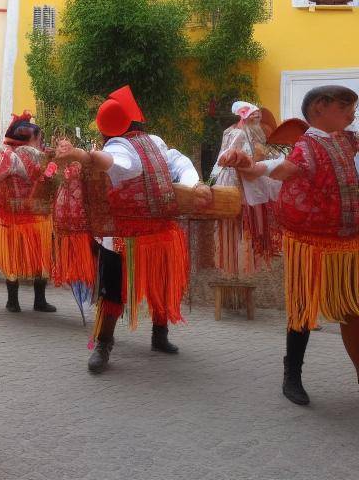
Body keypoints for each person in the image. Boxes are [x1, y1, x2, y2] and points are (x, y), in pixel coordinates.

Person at [219, 85, 359, 405]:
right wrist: (244, 164)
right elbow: (276, 171)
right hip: (309, 242)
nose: (353, 114)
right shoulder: (306, 146)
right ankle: (291, 375)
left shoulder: (348, 140)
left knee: (354, 311)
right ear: (320, 108)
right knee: (302, 311)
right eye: (346, 107)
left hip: (348, 242)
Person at [56, 86, 212, 373]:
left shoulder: (152, 142)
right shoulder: (119, 148)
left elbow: (179, 162)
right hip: (120, 237)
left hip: (157, 233)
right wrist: (85, 156)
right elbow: (115, 163)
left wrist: (193, 185)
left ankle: (159, 335)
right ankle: (102, 344)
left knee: (162, 287)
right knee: (112, 293)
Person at [0, 112, 57, 313]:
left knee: (11, 260)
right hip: (38, 218)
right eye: (38, 138)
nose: (40, 141)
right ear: (31, 138)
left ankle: (12, 301)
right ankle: (40, 300)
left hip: (10, 218)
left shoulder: (7, 156)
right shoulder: (44, 157)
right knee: (42, 261)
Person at [211, 102, 282, 276]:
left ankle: (239, 265)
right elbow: (227, 156)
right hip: (236, 181)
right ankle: (235, 267)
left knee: (242, 222)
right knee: (238, 220)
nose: (257, 118)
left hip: (247, 178)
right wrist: (255, 158)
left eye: (258, 115)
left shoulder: (252, 131)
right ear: (244, 115)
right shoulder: (237, 132)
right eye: (254, 115)